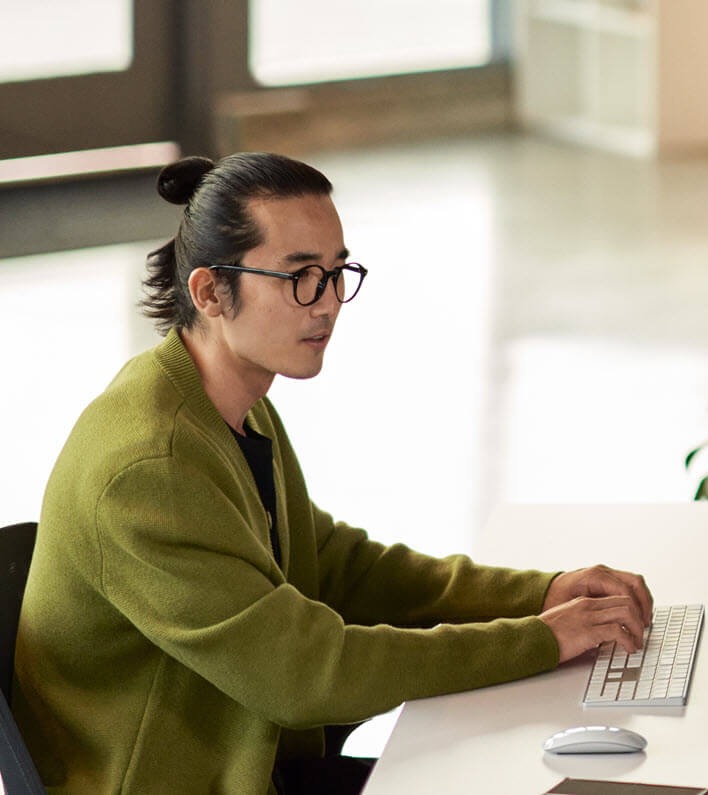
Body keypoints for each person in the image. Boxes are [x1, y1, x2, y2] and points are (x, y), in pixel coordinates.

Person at [14, 154, 655, 794]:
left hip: (258, 764)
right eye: (299, 277)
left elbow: (334, 564)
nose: (327, 304)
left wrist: (544, 594)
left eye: (335, 272)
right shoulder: (148, 468)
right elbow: (305, 675)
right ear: (210, 292)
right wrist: (540, 640)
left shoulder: (235, 404)